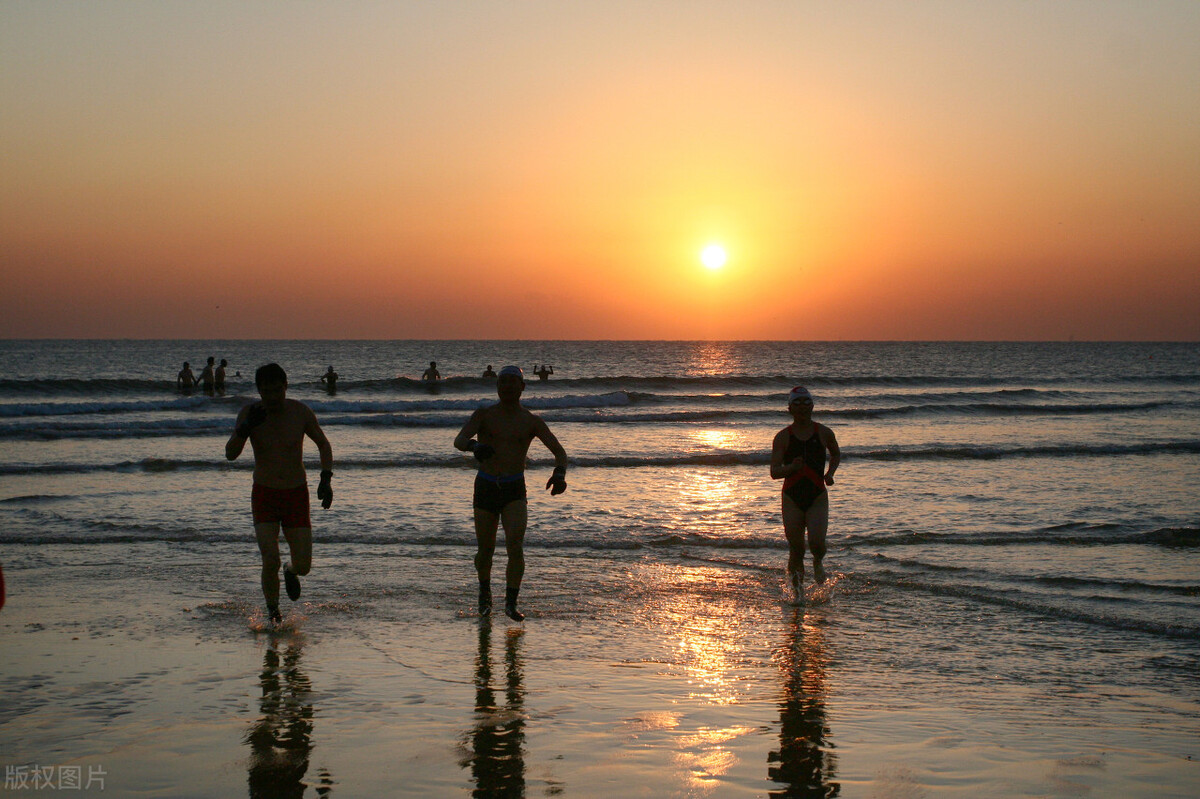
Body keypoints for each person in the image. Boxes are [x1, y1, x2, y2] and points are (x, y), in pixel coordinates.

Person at [454, 365, 568, 621]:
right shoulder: (483, 415)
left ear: (522, 387)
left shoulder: (531, 421)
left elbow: (559, 452)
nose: (507, 386)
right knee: (486, 549)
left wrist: (559, 474)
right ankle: (484, 596)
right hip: (485, 486)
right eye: (502, 382)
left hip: (514, 488)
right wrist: (474, 446)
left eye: (512, 382)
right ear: (497, 387)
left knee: (515, 546)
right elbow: (459, 440)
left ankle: (511, 602)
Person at [226, 363, 334, 626]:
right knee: (269, 557)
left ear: (285, 386)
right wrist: (244, 429)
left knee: (304, 566)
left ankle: (290, 570)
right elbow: (230, 454)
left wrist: (326, 479)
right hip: (264, 493)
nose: (272, 397)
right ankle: (273, 612)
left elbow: (323, 444)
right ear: (259, 391)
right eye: (266, 392)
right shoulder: (249, 414)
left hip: (296, 494)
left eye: (277, 390)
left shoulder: (300, 412)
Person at [770, 386, 840, 596]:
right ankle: (797, 595)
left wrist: (830, 473)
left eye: (806, 403)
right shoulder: (782, 437)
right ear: (790, 408)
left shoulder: (824, 432)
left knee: (817, 544)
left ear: (812, 406)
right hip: (792, 496)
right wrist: (792, 468)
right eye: (797, 404)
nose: (802, 408)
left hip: (817, 495)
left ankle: (818, 561)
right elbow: (774, 472)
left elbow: (836, 454)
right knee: (797, 548)